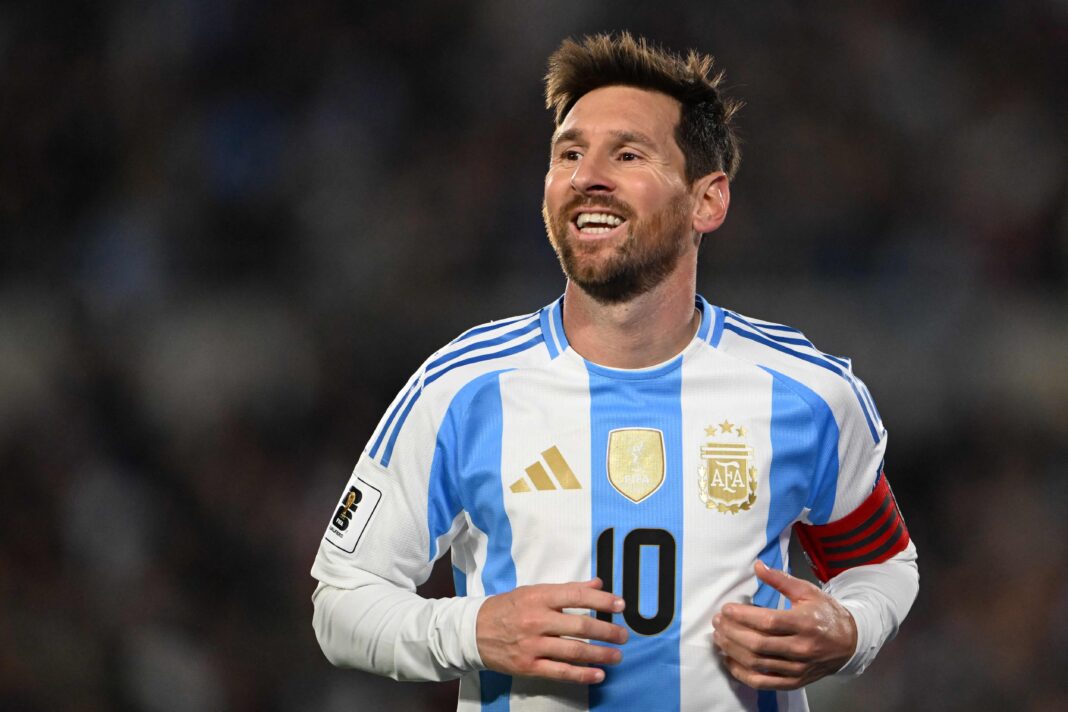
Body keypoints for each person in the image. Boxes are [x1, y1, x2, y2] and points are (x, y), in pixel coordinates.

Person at [311, 32, 918, 711]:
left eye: (627, 154)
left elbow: (879, 563)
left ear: (706, 201)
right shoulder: (461, 389)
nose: (585, 175)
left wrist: (851, 629)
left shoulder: (807, 394)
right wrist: (471, 630)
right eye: (569, 152)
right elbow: (341, 598)